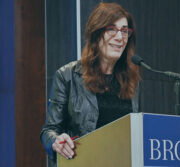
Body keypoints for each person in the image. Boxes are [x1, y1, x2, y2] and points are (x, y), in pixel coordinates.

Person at [40, 2, 140, 166]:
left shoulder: (131, 79)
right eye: (111, 29)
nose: (120, 37)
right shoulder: (68, 75)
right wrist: (56, 141)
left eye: (124, 31)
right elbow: (49, 130)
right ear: (96, 33)